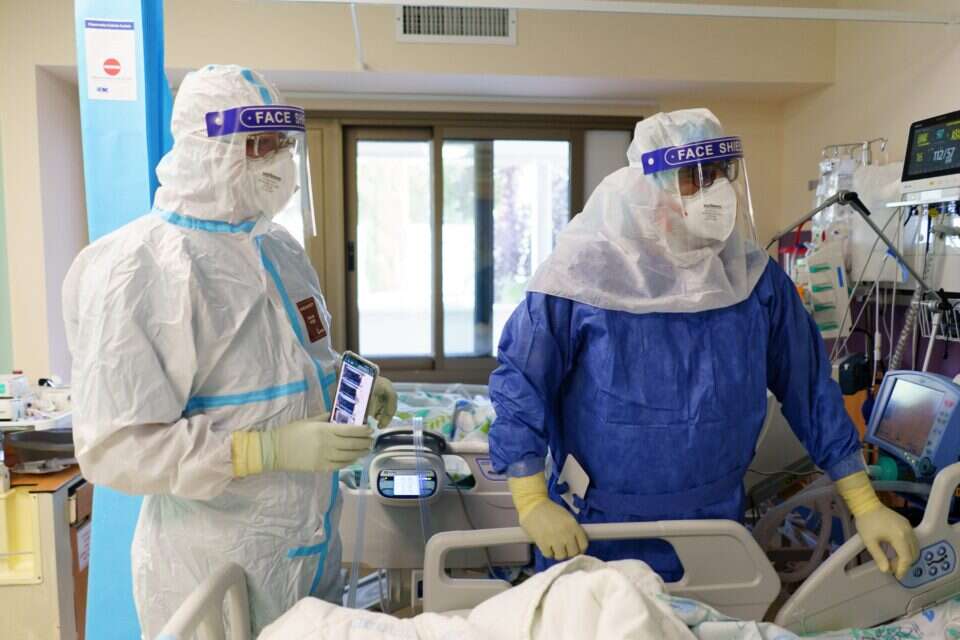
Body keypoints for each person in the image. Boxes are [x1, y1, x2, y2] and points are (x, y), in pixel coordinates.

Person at [488, 108, 918, 581]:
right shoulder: (581, 275)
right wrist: (531, 500)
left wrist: (865, 503)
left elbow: (811, 389)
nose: (712, 191)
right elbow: (521, 384)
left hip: (715, 532)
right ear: (649, 188)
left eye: (717, 173)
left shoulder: (753, 281)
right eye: (693, 177)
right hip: (595, 531)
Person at [63, 65, 397, 636]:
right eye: (260, 143)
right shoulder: (138, 268)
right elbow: (115, 447)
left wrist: (349, 379)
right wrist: (264, 451)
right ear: (208, 149)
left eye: (283, 143)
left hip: (309, 548)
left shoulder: (279, 248)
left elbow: (292, 363)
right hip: (211, 569)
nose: (278, 159)